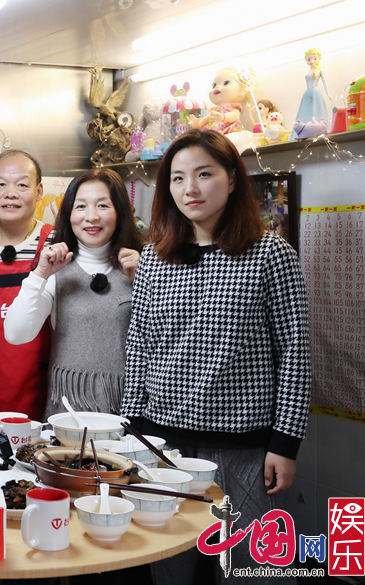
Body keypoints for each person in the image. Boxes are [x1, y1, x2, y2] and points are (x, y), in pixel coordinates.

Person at [120, 129, 311, 584]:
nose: (190, 188)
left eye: (204, 174)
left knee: (251, 570)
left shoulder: (270, 254)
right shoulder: (155, 259)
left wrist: (285, 443)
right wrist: (132, 430)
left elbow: (296, 352)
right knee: (170, 569)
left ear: (232, 179)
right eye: (178, 178)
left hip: (242, 446)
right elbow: (139, 346)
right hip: (163, 446)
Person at [4, 168, 142, 419]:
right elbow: (15, 334)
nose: (91, 217)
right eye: (81, 207)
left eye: (103, 205)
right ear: (69, 214)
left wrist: (145, 280)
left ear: (120, 212)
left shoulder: (142, 266)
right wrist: (39, 274)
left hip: (127, 412)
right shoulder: (56, 272)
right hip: (67, 414)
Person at [0, 150, 54, 419]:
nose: (10, 194)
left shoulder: (56, 244)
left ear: (39, 191)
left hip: (43, 387)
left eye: (22, 185)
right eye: (1, 184)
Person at [289, 47, 332, 140]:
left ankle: (316, 129)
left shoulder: (320, 70)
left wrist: (328, 94)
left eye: (314, 58)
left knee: (316, 110)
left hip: (315, 92)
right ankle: (304, 130)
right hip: (307, 93)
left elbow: (325, 82)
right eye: (309, 59)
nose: (311, 61)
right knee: (305, 111)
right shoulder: (307, 71)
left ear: (318, 59)